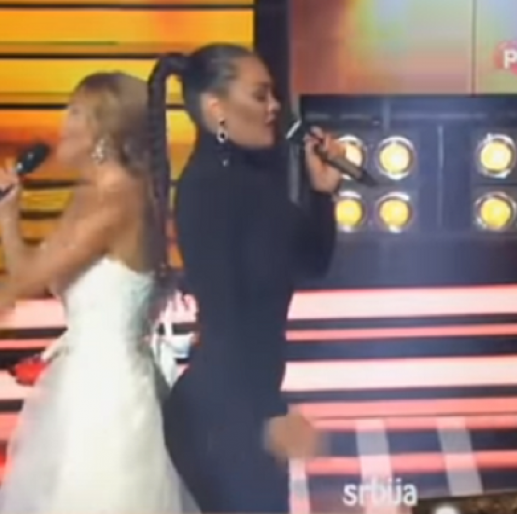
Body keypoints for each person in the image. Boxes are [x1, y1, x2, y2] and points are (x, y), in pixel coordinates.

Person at [0, 71, 192, 513]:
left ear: (104, 133)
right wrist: (9, 215)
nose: (64, 124)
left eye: (76, 112)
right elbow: (36, 275)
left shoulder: (120, 200)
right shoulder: (92, 194)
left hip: (109, 397)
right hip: (80, 387)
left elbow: (28, 279)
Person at [146, 44, 344, 512]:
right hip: (223, 416)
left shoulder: (251, 181)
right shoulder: (210, 189)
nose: (274, 106)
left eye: (272, 94)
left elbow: (312, 261)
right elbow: (229, 317)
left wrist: (322, 193)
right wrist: (265, 416)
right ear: (216, 109)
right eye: (259, 95)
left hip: (242, 407)